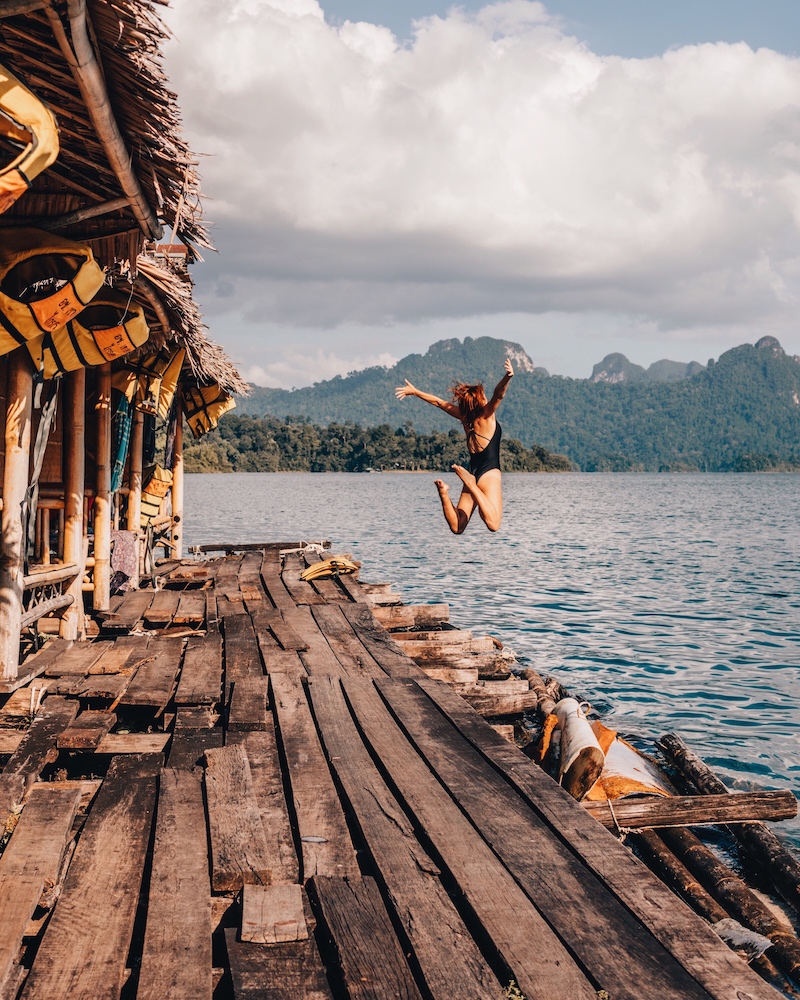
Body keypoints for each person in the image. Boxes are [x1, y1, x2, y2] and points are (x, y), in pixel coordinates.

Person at [395, 358, 514, 533]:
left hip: (471, 470)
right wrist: (507, 377)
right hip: (488, 475)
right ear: (481, 400)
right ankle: (472, 485)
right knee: (494, 525)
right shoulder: (487, 415)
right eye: (483, 396)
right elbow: (499, 394)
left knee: (458, 526)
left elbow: (439, 402)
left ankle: (444, 493)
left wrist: (416, 392)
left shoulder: (464, 417)